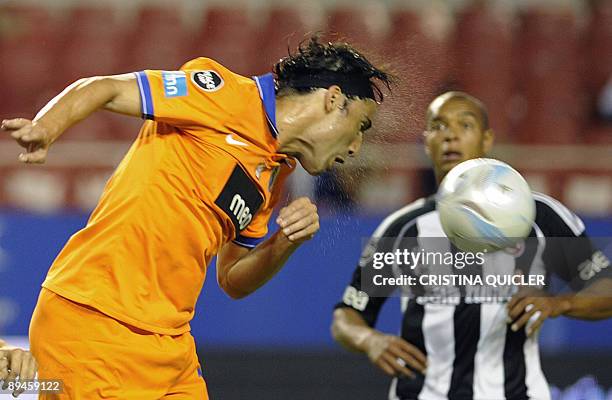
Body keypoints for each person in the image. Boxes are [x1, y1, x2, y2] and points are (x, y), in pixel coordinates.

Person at [2, 36, 392, 399]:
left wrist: (284, 242)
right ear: (333, 99)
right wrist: (46, 127)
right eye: (359, 127)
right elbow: (103, 87)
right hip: (95, 324)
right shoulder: (221, 91)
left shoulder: (275, 172)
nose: (357, 146)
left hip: (171, 345)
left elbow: (232, 279)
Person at [331, 91, 612, 400]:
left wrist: (560, 304)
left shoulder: (539, 217)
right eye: (439, 126)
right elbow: (348, 315)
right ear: (426, 143)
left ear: (487, 139)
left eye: (465, 125)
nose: (450, 135)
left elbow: (605, 289)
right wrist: (370, 340)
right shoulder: (402, 229)